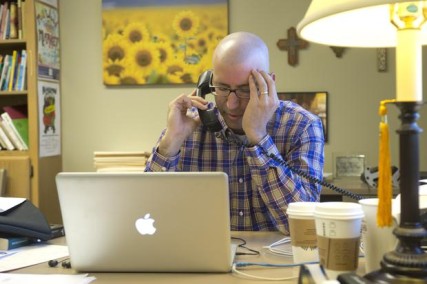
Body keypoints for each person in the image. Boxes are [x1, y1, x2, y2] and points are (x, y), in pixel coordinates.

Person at [145, 31, 324, 235]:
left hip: (277, 262)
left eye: (244, 89)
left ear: (269, 84)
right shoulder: (189, 124)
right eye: (222, 88)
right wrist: (171, 142)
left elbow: (303, 228)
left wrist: (258, 137)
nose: (231, 104)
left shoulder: (302, 126)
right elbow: (146, 211)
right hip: (199, 257)